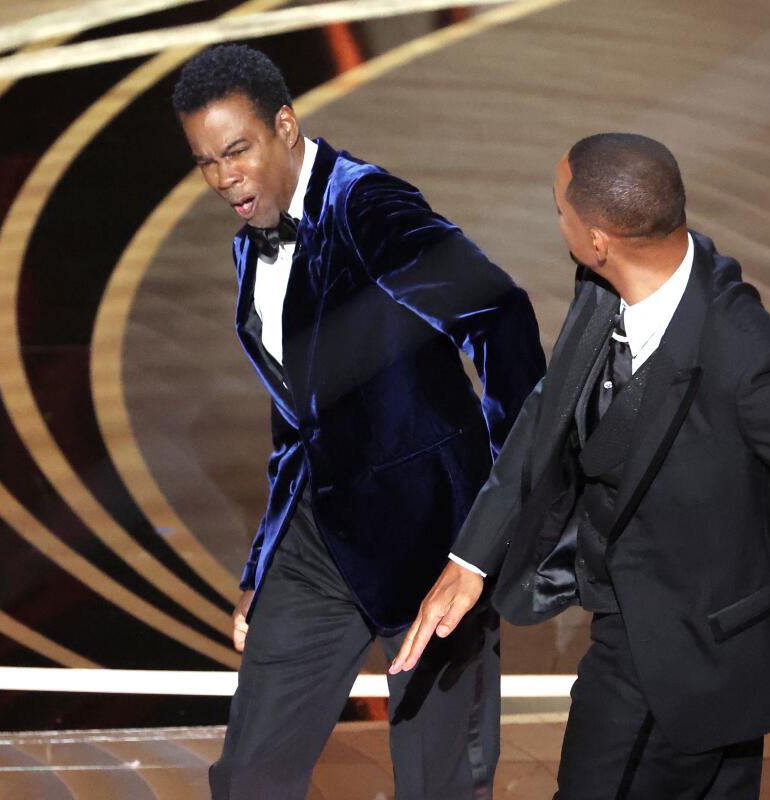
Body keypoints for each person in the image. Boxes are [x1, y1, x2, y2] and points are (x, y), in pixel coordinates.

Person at [391, 133, 770, 799]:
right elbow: (551, 411)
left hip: (692, 650)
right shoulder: (602, 289)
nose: (560, 224)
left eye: (561, 212)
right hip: (671, 641)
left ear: (599, 239)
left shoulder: (751, 359)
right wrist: (472, 557)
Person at [173, 44, 545, 799]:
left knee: (436, 784)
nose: (223, 178)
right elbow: (297, 419)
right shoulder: (254, 241)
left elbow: (501, 315)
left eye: (236, 151)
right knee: (250, 777)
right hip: (320, 537)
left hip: (429, 546)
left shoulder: (368, 206)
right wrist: (261, 566)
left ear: (284, 125)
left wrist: (500, 510)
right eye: (206, 162)